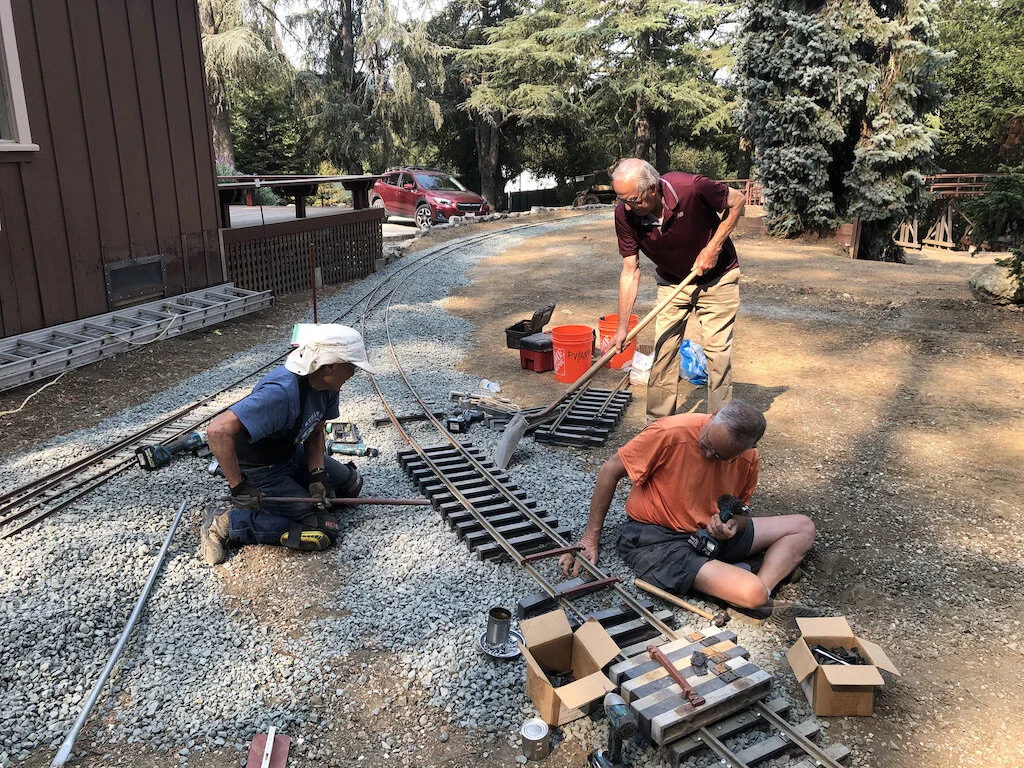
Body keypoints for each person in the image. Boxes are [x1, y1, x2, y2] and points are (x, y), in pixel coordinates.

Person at [559, 402, 818, 628]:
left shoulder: (749, 458)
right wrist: (590, 538)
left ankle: (760, 591)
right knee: (752, 592)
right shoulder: (669, 432)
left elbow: (740, 512)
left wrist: (732, 526)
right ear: (714, 414)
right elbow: (609, 470)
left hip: (709, 537)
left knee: (803, 528)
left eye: (720, 456)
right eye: (706, 444)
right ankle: (750, 588)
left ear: (742, 451)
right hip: (658, 540)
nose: (707, 455)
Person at [200, 324, 377, 565]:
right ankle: (227, 523)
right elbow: (217, 431)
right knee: (323, 530)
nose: (354, 373)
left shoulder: (327, 385)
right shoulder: (281, 393)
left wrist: (317, 475)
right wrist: (238, 487)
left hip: (290, 455)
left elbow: (315, 431)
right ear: (329, 366)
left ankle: (289, 496)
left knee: (351, 487)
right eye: (351, 367)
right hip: (261, 469)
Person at [605, 158, 746, 419]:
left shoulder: (692, 188)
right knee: (664, 352)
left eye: (633, 199)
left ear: (653, 188)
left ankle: (719, 428)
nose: (627, 206)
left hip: (718, 279)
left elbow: (738, 201)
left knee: (717, 355)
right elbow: (630, 270)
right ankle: (657, 426)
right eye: (621, 199)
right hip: (672, 283)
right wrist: (622, 328)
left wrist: (713, 247)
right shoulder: (624, 214)